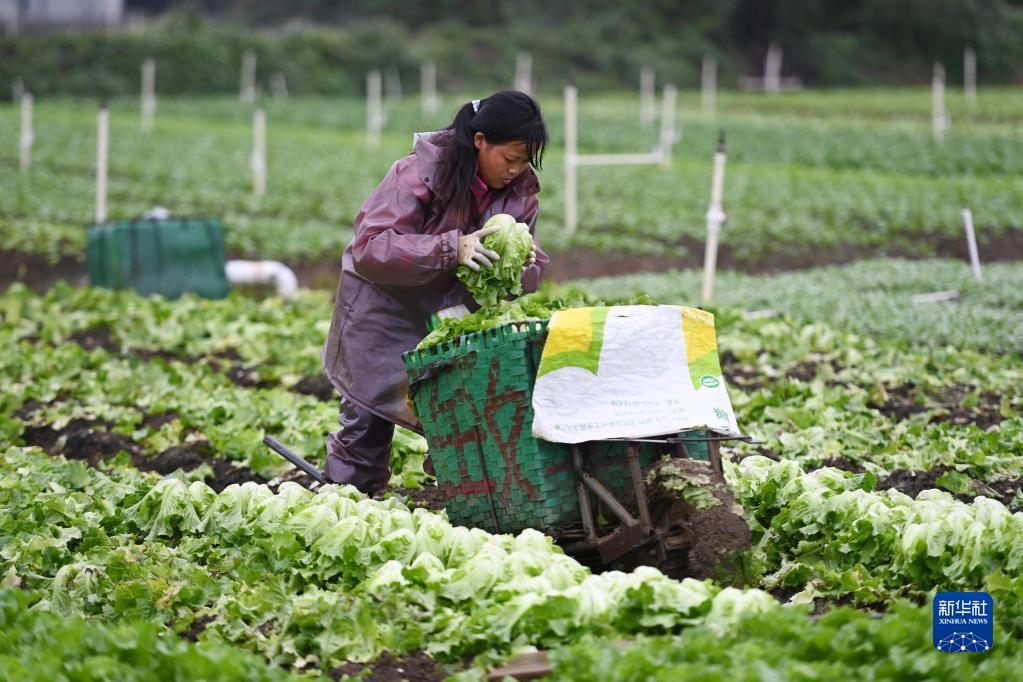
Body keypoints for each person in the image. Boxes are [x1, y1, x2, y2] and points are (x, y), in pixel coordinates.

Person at [321, 90, 550, 495]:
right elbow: (371, 247)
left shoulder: (519, 194)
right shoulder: (417, 174)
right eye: (509, 159)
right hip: (384, 310)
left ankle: (474, 507)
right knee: (367, 427)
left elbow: (522, 277)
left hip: (448, 321)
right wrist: (451, 248)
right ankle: (347, 500)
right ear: (480, 140)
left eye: (524, 162)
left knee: (467, 421)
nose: (516, 171)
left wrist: (525, 265)